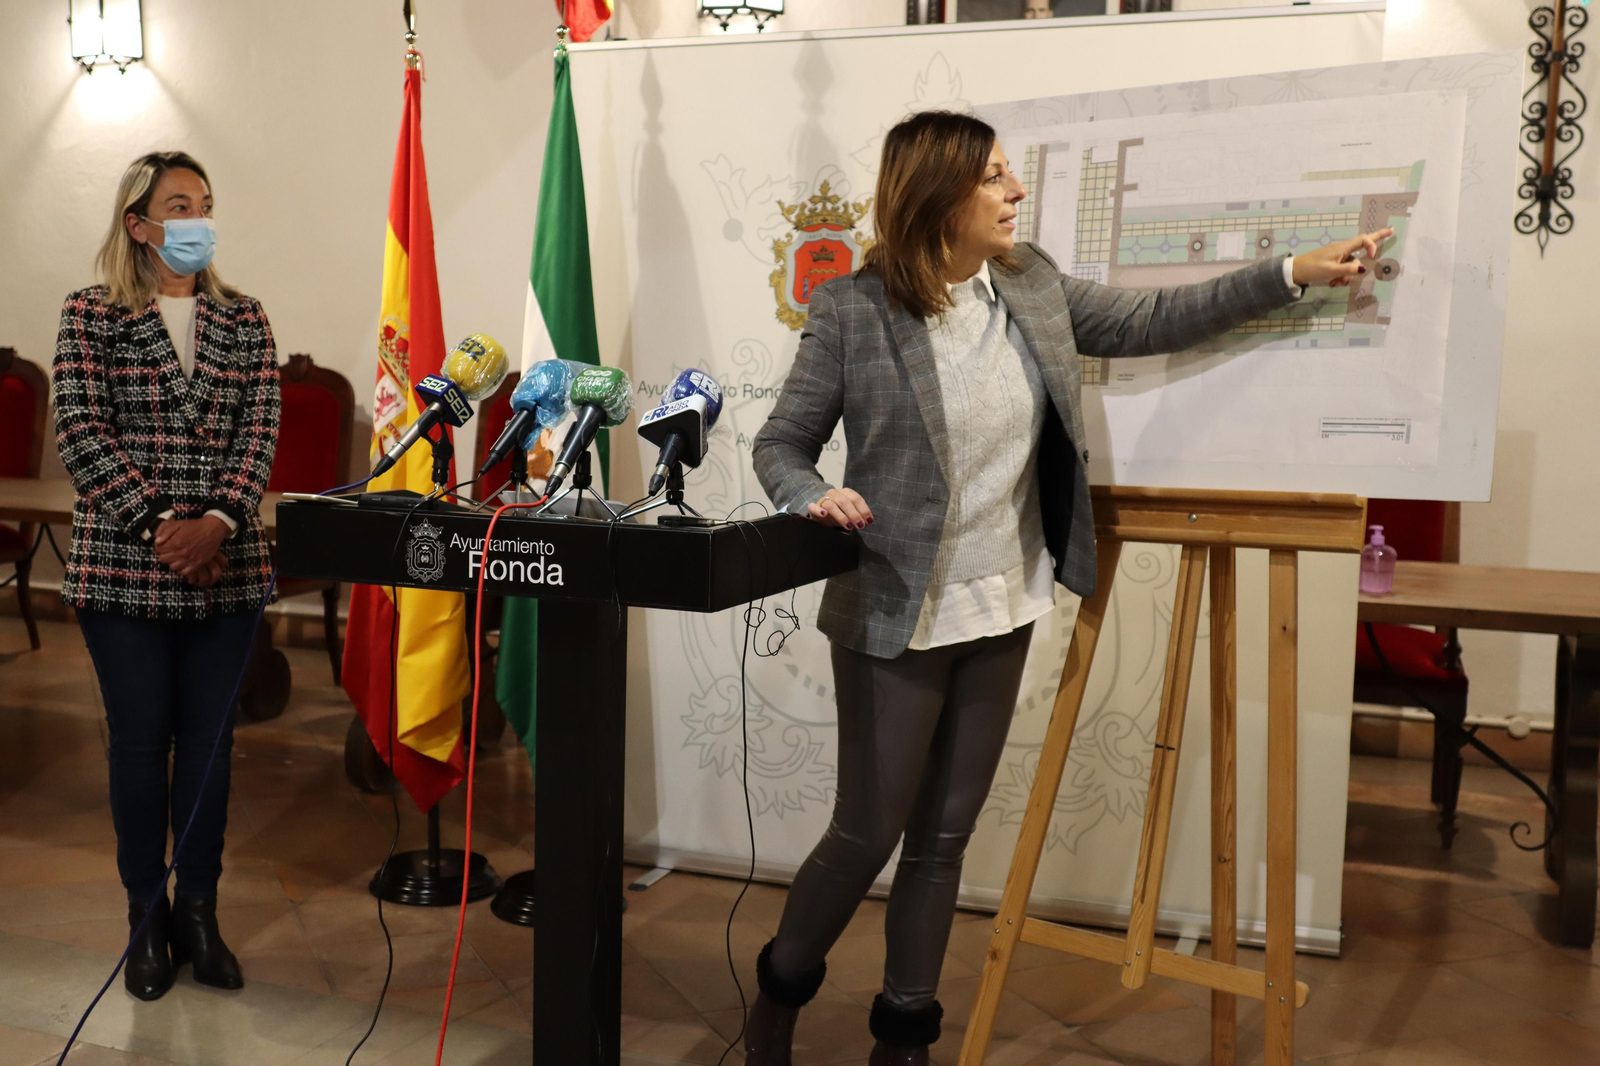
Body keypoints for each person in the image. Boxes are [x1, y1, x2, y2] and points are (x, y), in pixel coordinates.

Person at [748, 110, 1390, 1066]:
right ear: (939, 193)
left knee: (942, 842)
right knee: (867, 831)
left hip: (1002, 605)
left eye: (1011, 177)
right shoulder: (853, 310)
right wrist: (814, 495)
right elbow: (780, 444)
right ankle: (781, 991)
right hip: (894, 611)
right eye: (995, 179)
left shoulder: (1030, 283)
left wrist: (1289, 273)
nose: (1015, 194)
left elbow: (1149, 320)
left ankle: (905, 1038)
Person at [53, 151, 280, 1001]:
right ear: (138, 223)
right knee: (142, 749)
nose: (196, 220)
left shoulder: (244, 316)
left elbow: (261, 427)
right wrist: (161, 528)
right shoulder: (89, 314)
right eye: (179, 204)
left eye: (206, 204)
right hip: (123, 566)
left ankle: (200, 913)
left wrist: (217, 521)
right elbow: (78, 427)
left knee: (211, 753)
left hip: (225, 567)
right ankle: (146, 916)